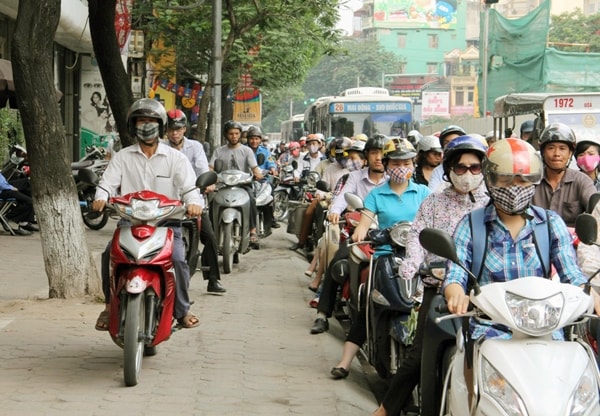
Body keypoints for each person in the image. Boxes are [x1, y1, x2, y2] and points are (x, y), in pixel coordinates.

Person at [442, 138, 600, 404]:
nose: (515, 188)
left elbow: (572, 274)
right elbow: (456, 273)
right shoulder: (471, 225)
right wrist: (456, 292)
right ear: (491, 180)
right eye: (506, 180)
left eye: (524, 180)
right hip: (490, 328)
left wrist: (591, 295)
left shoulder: (550, 223)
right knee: (475, 394)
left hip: (545, 328)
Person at [370, 135, 489, 416]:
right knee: (420, 355)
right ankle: (387, 409)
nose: (468, 174)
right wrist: (413, 262)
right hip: (438, 288)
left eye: (475, 168)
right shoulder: (433, 202)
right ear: (448, 169)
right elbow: (417, 236)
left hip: (483, 292)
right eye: (460, 168)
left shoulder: (490, 205)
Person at [93, 98, 203, 330]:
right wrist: (100, 197)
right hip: (129, 222)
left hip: (167, 223)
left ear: (161, 125)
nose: (146, 125)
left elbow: (190, 189)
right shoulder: (123, 156)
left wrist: (194, 203)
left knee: (177, 260)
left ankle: (182, 309)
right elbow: (107, 183)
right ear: (133, 126)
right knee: (108, 256)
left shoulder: (176, 158)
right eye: (141, 121)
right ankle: (108, 306)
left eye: (152, 121)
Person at [329, 138, 431, 379]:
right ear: (386, 164)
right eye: (396, 162)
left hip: (418, 258)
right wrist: (361, 231)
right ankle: (345, 361)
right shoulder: (376, 195)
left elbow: (433, 221)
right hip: (386, 257)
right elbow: (364, 221)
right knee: (369, 303)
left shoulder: (424, 192)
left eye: (406, 162)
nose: (402, 167)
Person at [309, 135, 388, 333]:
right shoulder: (355, 177)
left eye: (383, 153)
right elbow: (343, 198)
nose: (378, 158)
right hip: (360, 234)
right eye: (374, 153)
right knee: (338, 262)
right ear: (366, 156)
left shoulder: (394, 180)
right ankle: (322, 314)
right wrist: (335, 211)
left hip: (391, 236)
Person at [165, 108, 226, 294]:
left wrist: (208, 183)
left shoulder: (196, 147)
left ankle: (213, 280)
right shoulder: (160, 147)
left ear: (184, 129)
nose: (174, 133)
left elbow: (202, 169)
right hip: (167, 203)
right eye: (171, 129)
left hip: (194, 200)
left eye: (178, 129)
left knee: (210, 239)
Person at [209, 120, 263, 245]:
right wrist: (210, 179)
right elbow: (211, 167)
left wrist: (257, 173)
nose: (234, 136)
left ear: (240, 135)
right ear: (226, 135)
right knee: (212, 203)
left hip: (243, 185)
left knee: (251, 199)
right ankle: (212, 232)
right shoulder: (219, 151)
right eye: (231, 133)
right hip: (223, 185)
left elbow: (254, 167)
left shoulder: (247, 151)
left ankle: (252, 230)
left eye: (236, 133)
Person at [532, 122, 596, 227]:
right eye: (551, 148)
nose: (557, 153)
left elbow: (596, 211)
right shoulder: (531, 181)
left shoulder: (582, 181)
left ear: (570, 153)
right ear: (543, 152)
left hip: (573, 241)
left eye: (562, 148)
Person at [245, 125, 280, 231]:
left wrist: (273, 169)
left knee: (270, 193)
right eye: (251, 138)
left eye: (256, 138)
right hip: (246, 181)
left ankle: (271, 218)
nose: (254, 141)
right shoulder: (243, 150)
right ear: (248, 139)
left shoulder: (265, 151)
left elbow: (270, 163)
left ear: (260, 140)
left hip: (263, 180)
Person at [427, 125, 466, 191]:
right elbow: (432, 195)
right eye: (447, 143)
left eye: (455, 141)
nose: (451, 145)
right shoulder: (438, 171)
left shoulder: (475, 165)